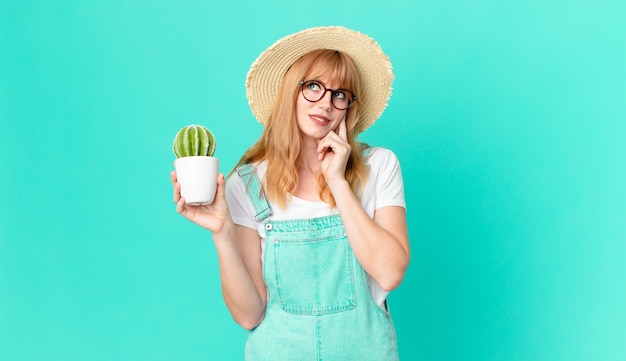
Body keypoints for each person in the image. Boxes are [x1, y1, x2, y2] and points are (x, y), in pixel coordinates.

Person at [170, 26, 409, 360]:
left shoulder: (378, 166)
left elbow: (390, 272)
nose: (325, 102)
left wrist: (339, 183)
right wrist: (223, 234)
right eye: (313, 86)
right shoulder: (249, 183)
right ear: (290, 93)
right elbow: (248, 315)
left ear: (348, 108)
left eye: (340, 94)